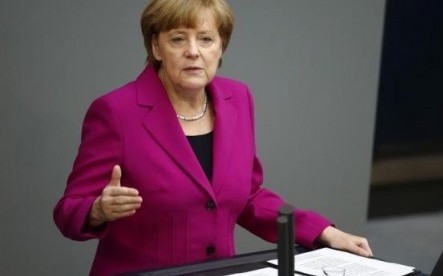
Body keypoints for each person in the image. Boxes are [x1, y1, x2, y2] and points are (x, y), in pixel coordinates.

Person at [53, 0, 373, 275]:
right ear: (155, 47)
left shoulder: (238, 99)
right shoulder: (116, 111)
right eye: (178, 39)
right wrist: (97, 209)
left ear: (221, 47)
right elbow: (68, 211)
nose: (193, 52)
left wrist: (324, 232)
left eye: (206, 39)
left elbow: (247, 195)